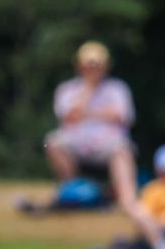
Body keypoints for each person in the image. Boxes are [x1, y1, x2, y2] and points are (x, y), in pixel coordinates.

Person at [43, 41, 138, 211]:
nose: (93, 69)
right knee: (53, 142)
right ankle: (75, 193)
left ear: (106, 66)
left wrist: (86, 113)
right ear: (79, 66)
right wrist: (89, 88)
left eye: (97, 65)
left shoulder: (118, 88)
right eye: (89, 65)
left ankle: (127, 200)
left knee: (122, 149)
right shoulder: (67, 89)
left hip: (109, 145)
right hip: (76, 143)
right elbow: (69, 116)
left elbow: (122, 116)